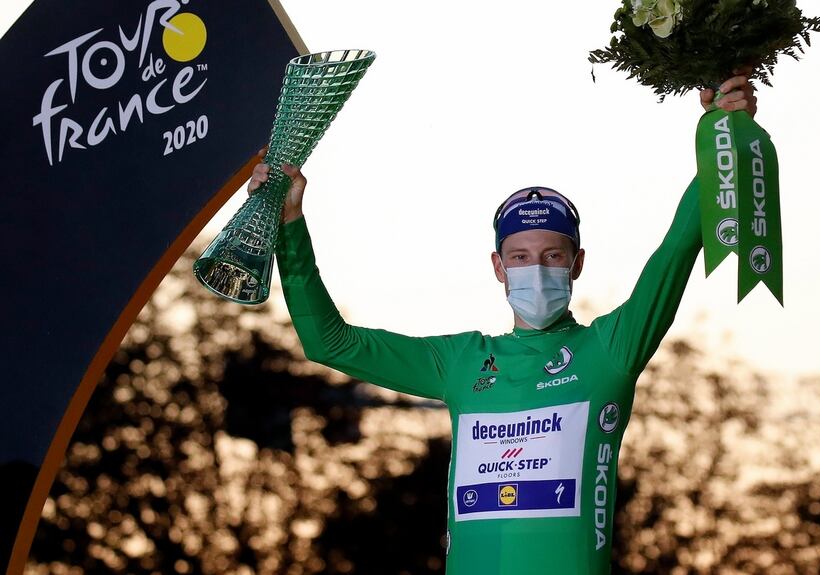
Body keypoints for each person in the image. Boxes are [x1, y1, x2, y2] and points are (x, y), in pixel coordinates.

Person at [248, 74, 756, 574]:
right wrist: (290, 222)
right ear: (498, 267)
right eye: (520, 256)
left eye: (551, 254)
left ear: (576, 263)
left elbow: (677, 248)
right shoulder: (460, 362)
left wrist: (723, 138)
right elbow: (328, 342)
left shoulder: (611, 349)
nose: (535, 269)